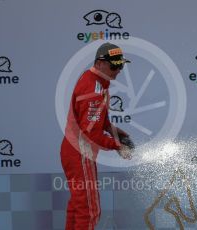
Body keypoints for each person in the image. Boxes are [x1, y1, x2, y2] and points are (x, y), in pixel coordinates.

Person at [60, 42, 134, 230]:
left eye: (121, 65)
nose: (118, 70)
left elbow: (98, 120)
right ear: (100, 63)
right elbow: (90, 131)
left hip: (74, 149)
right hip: (80, 151)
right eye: (114, 65)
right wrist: (117, 146)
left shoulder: (96, 81)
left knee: (78, 207)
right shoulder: (94, 88)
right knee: (90, 210)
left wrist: (112, 130)